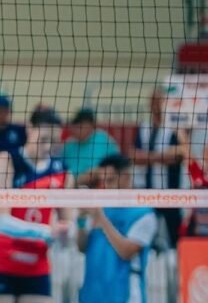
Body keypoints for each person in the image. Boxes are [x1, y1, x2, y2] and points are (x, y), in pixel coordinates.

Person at [0, 107, 73, 303]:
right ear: (30, 129)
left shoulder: (62, 172)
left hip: (36, 266)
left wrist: (65, 233)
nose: (48, 146)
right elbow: (0, 221)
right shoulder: (7, 160)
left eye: (53, 141)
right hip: (0, 261)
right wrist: (46, 231)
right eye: (43, 139)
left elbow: (68, 224)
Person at [77, 154, 157, 303]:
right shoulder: (99, 206)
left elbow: (126, 252)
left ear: (126, 177)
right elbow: (81, 247)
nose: (106, 186)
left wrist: (101, 219)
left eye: (110, 180)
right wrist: (81, 220)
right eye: (103, 181)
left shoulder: (144, 214)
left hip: (125, 295)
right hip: (93, 294)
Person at [129, 89, 185, 248]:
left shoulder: (175, 127)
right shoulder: (144, 127)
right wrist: (163, 157)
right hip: (147, 192)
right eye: (153, 101)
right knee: (146, 237)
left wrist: (148, 157)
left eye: (160, 100)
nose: (157, 104)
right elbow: (134, 156)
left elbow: (179, 155)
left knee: (175, 239)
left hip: (171, 193)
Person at [63, 108, 120, 185]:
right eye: (76, 125)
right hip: (71, 185)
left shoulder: (103, 139)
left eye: (82, 125)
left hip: (98, 184)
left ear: (91, 125)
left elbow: (116, 166)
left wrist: (96, 172)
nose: (77, 129)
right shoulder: (69, 144)